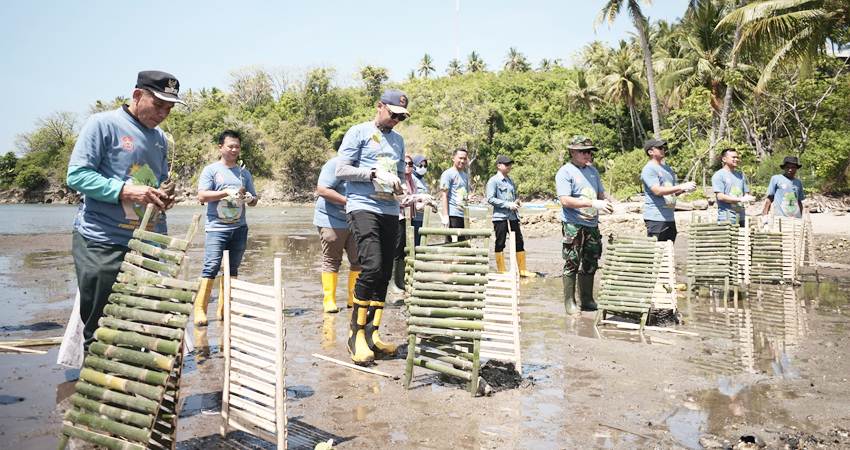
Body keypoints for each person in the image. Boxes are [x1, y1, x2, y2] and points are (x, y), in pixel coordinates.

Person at [66, 70, 183, 345]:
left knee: (140, 325)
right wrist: (125, 191)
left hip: (146, 245)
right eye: (158, 105)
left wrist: (162, 197)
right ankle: (96, 384)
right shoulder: (102, 124)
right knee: (102, 327)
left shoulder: (160, 139)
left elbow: (154, 181)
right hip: (103, 242)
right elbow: (77, 176)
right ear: (137, 95)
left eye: (169, 108)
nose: (163, 113)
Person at [335, 89, 409, 365]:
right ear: (379, 107)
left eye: (401, 117)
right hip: (362, 206)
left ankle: (372, 334)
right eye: (393, 115)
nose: (395, 121)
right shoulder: (358, 132)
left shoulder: (399, 141)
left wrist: (402, 188)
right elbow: (341, 170)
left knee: (385, 274)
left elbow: (400, 175)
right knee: (372, 266)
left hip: (390, 209)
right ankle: (355, 336)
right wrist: (373, 174)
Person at [193, 130, 258, 326]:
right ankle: (200, 310)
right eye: (230, 146)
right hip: (216, 228)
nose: (234, 150)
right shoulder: (211, 170)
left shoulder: (244, 173)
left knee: (232, 269)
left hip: (239, 228)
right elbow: (202, 196)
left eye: (237, 146)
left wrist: (250, 198)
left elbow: (254, 200)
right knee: (211, 267)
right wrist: (224, 193)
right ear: (220, 147)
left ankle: (225, 309)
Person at [555, 136, 613, 315]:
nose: (588, 155)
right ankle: (569, 302)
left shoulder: (593, 171)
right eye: (584, 151)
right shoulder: (565, 172)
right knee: (572, 261)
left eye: (590, 151)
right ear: (573, 152)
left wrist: (610, 203)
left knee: (591, 261)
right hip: (574, 224)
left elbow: (601, 194)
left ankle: (587, 299)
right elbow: (565, 200)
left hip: (592, 224)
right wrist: (591, 203)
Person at [314, 156, 361, 313]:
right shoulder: (334, 164)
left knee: (358, 260)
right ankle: (329, 301)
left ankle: (353, 299)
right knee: (332, 259)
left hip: (356, 219)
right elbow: (323, 190)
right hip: (331, 219)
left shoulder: (365, 165)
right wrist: (348, 201)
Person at [485, 155, 536, 277]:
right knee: (500, 242)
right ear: (499, 165)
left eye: (510, 164)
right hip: (500, 217)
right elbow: (490, 199)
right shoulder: (493, 181)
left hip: (513, 216)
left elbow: (514, 196)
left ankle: (523, 270)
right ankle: (501, 270)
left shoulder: (510, 180)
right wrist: (508, 204)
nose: (509, 167)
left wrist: (516, 202)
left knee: (519, 241)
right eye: (506, 164)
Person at [640, 139, 696, 241]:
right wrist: (681, 186)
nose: (663, 150)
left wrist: (686, 189)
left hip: (669, 217)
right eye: (660, 148)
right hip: (656, 218)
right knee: (657, 252)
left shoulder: (667, 169)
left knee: (668, 252)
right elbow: (657, 191)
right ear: (650, 152)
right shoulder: (649, 169)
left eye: (664, 148)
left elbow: (673, 192)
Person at [389, 155, 417, 294]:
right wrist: (414, 199)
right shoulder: (398, 180)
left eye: (410, 163)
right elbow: (399, 199)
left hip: (408, 218)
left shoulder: (412, 181)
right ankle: (393, 282)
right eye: (405, 163)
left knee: (403, 249)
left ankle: (400, 280)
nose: (408, 166)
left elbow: (414, 199)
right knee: (396, 249)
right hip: (397, 217)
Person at [712, 148, 754, 227]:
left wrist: (748, 198)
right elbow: (720, 196)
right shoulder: (719, 175)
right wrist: (740, 199)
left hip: (741, 217)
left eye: (737, 157)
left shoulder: (740, 175)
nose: (736, 159)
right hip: (727, 218)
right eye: (733, 157)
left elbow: (746, 193)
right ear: (724, 159)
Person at [762, 156, 804, 222]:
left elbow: (799, 201)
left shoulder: (798, 182)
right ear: (784, 168)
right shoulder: (776, 179)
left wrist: (801, 218)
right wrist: (765, 214)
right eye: (788, 167)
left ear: (796, 169)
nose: (790, 169)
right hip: (780, 217)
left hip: (795, 217)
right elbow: (770, 198)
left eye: (793, 167)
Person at [439, 147, 470, 239]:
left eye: (464, 159)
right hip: (452, 214)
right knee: (453, 244)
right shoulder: (448, 174)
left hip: (463, 214)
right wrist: (445, 216)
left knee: (463, 242)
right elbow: (444, 195)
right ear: (453, 158)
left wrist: (468, 198)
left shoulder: (465, 175)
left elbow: (462, 194)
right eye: (460, 158)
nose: (462, 161)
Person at [410, 154, 432, 247]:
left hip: (422, 217)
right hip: (414, 217)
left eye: (425, 166)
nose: (423, 168)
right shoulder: (411, 178)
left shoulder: (422, 180)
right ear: (414, 165)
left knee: (421, 242)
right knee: (414, 243)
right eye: (420, 165)